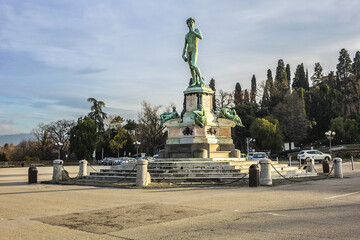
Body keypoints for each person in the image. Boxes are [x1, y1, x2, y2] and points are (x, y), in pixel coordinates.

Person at [182, 18, 204, 86]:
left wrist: (193, 32)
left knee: (194, 64)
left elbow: (201, 37)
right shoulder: (187, 35)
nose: (191, 23)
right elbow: (185, 46)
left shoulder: (196, 30)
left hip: (194, 50)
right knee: (191, 67)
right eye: (189, 22)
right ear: (187, 25)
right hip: (189, 51)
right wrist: (183, 55)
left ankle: (200, 80)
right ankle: (195, 81)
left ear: (194, 23)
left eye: (192, 22)